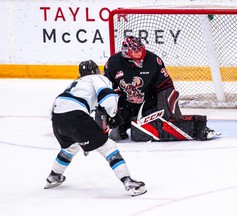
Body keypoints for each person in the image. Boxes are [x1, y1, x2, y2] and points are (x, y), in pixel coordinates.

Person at [44, 60, 147, 197]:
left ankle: (54, 176)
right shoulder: (98, 78)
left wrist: (81, 135)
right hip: (75, 116)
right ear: (97, 71)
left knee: (70, 148)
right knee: (109, 147)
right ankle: (128, 182)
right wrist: (113, 114)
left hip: (57, 119)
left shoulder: (77, 83)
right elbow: (107, 95)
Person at [104, 36, 219, 141]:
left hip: (148, 105)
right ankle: (118, 126)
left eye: (140, 49)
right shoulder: (113, 63)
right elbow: (106, 89)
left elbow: (166, 86)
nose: (138, 53)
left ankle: (178, 124)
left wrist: (171, 113)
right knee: (114, 136)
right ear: (126, 52)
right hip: (125, 108)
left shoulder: (153, 60)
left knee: (169, 95)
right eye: (135, 50)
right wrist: (112, 113)